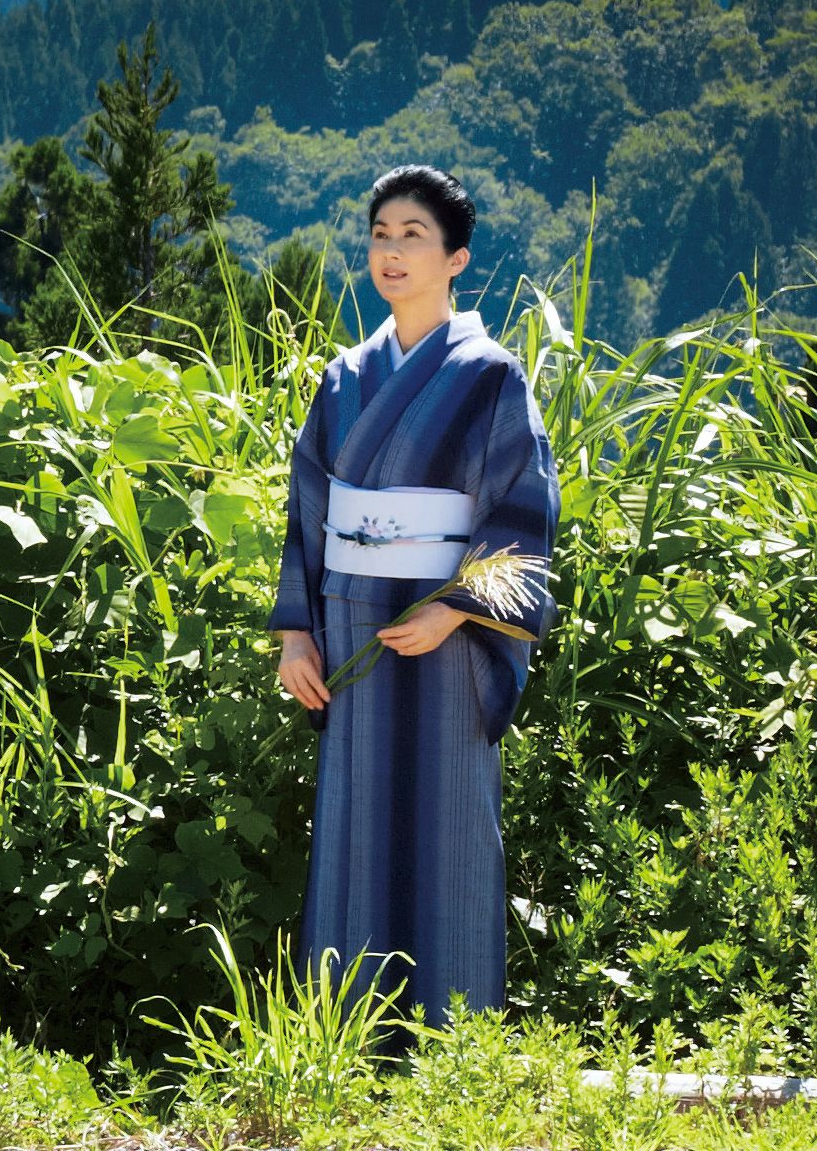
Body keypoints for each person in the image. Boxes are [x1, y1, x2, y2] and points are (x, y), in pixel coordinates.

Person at [266, 163, 561, 1030]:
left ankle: (453, 1040)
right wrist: (295, 637)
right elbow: (308, 517)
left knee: (447, 830)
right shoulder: (342, 378)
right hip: (354, 629)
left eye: (414, 237)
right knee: (355, 823)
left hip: (446, 640)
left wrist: (456, 609)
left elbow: (521, 511)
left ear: (456, 257)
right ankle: (345, 1039)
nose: (391, 253)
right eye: (380, 235)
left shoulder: (490, 377)